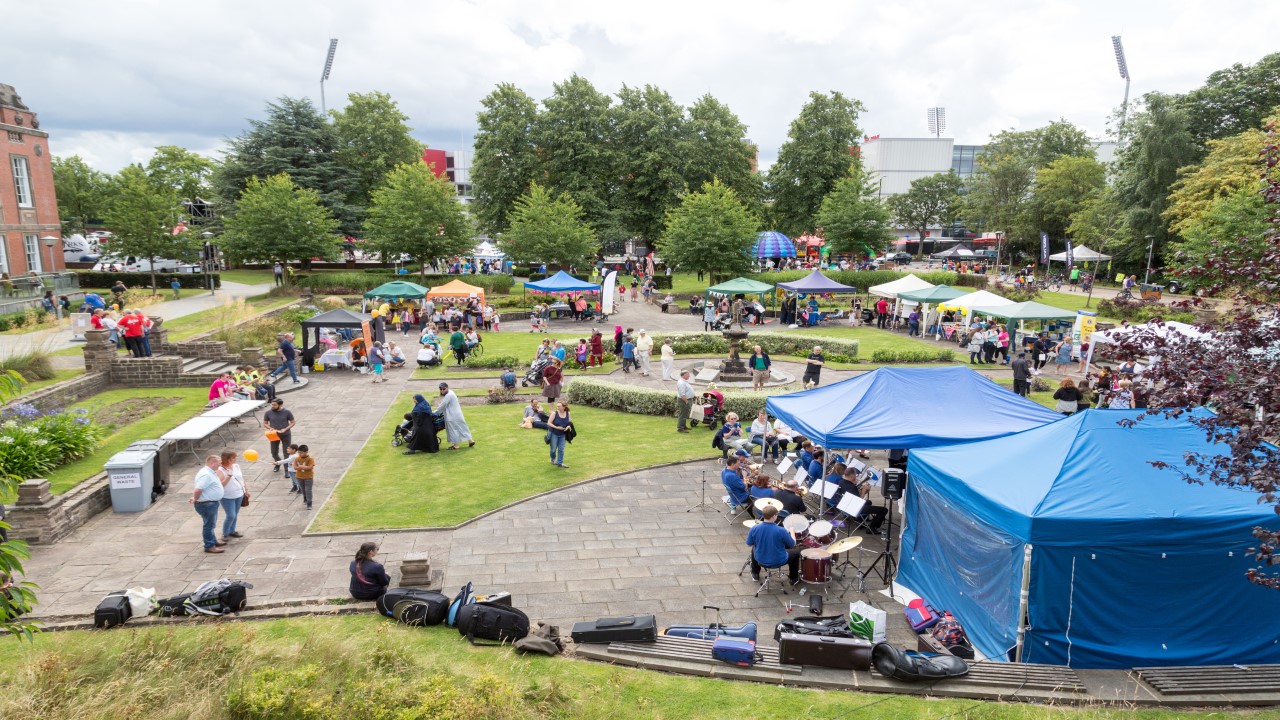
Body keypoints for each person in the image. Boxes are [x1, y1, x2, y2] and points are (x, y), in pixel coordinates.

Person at [746, 505, 800, 586]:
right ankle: (794, 578)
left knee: (754, 547)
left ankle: (755, 573)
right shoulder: (781, 530)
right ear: (774, 516)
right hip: (778, 560)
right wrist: (792, 532)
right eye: (777, 514)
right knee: (795, 553)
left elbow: (749, 543)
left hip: (760, 559)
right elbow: (792, 544)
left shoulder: (754, 528)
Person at [188, 455, 225, 553]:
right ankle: (209, 546)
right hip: (207, 504)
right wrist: (195, 498)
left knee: (211, 524)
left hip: (210, 503)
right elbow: (198, 489)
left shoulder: (210, 472)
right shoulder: (206, 475)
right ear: (212, 463)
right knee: (209, 525)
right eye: (219, 462)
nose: (221, 464)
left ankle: (213, 541)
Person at [839, 465, 887, 534]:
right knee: (883, 510)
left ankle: (859, 522)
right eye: (855, 474)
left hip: (845, 506)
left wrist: (862, 491)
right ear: (852, 475)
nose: (856, 476)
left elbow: (854, 495)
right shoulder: (852, 487)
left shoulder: (842, 482)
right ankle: (872, 528)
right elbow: (858, 502)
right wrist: (864, 491)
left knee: (868, 502)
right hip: (853, 509)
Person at [217, 450, 246, 542]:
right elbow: (221, 485)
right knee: (230, 515)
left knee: (235, 514)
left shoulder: (236, 466)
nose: (235, 459)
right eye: (233, 458)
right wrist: (228, 476)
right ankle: (225, 533)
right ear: (227, 459)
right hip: (227, 496)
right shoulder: (220, 470)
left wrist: (246, 490)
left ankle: (232, 531)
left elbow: (241, 479)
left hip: (239, 494)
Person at [435, 382, 474, 450]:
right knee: (462, 427)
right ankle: (470, 440)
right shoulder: (451, 392)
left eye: (444, 388)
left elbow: (442, 406)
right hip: (458, 414)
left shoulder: (448, 395)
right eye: (440, 389)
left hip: (451, 416)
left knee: (453, 430)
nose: (442, 390)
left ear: (447, 388)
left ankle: (456, 445)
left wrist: (434, 413)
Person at [263, 398, 296, 469]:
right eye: (272, 404)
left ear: (280, 405)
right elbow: (265, 423)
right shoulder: (268, 413)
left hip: (286, 434)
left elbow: (293, 422)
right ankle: (278, 462)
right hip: (274, 434)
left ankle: (287, 469)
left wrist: (286, 428)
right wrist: (269, 428)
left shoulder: (287, 412)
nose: (272, 406)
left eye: (275, 405)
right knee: (274, 453)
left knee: (286, 453)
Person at [547, 400, 573, 468]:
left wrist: (568, 426)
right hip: (554, 433)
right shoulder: (554, 413)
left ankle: (560, 463)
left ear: (564, 407)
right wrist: (556, 427)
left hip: (563, 434)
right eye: (557, 406)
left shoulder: (568, 413)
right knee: (553, 449)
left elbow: (570, 422)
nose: (557, 407)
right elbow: (549, 422)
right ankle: (553, 459)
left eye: (559, 406)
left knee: (561, 449)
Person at [294, 445, 316, 509]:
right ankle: (305, 498)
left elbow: (310, 467)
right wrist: (300, 467)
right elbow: (295, 467)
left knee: (308, 490)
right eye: (298, 452)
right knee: (303, 490)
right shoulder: (297, 458)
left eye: (301, 452)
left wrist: (302, 467)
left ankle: (309, 504)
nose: (299, 454)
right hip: (299, 477)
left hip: (308, 477)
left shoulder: (310, 459)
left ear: (306, 452)